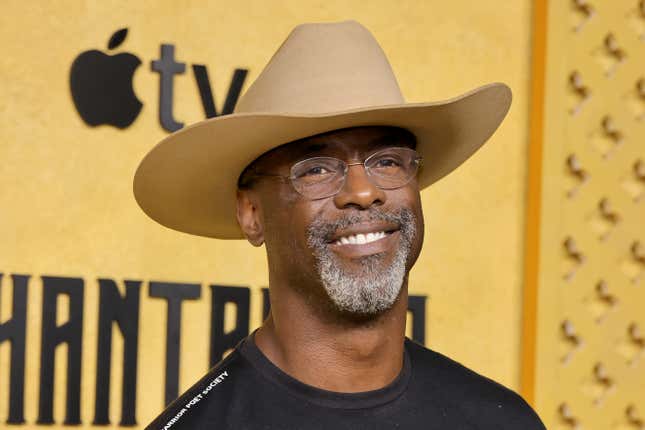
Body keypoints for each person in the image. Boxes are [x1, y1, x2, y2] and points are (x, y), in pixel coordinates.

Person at [135, 20, 546, 430]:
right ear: (252, 214)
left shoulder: (502, 421)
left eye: (386, 161)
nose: (363, 192)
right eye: (315, 169)